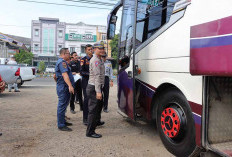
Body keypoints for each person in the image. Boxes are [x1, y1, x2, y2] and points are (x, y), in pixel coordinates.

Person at [86, 41, 105, 138]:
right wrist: (98, 91)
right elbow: (97, 76)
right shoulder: (95, 60)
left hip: (97, 87)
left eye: (103, 48)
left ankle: (95, 123)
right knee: (92, 110)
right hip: (94, 87)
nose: (102, 50)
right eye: (100, 48)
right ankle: (90, 132)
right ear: (94, 49)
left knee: (98, 107)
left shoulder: (100, 59)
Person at [55, 48, 75, 131]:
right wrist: (70, 86)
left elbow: (55, 76)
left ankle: (63, 121)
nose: (69, 55)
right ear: (63, 54)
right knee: (62, 106)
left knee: (64, 105)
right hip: (64, 87)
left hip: (63, 87)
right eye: (68, 53)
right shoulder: (62, 62)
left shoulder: (63, 62)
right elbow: (64, 75)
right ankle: (61, 125)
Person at [80, 44, 93, 125]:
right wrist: (91, 74)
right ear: (86, 50)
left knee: (94, 100)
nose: (90, 51)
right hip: (86, 81)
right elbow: (81, 72)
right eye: (89, 49)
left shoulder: (95, 59)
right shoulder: (83, 60)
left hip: (94, 81)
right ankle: (85, 119)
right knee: (87, 99)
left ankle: (94, 119)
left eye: (91, 49)